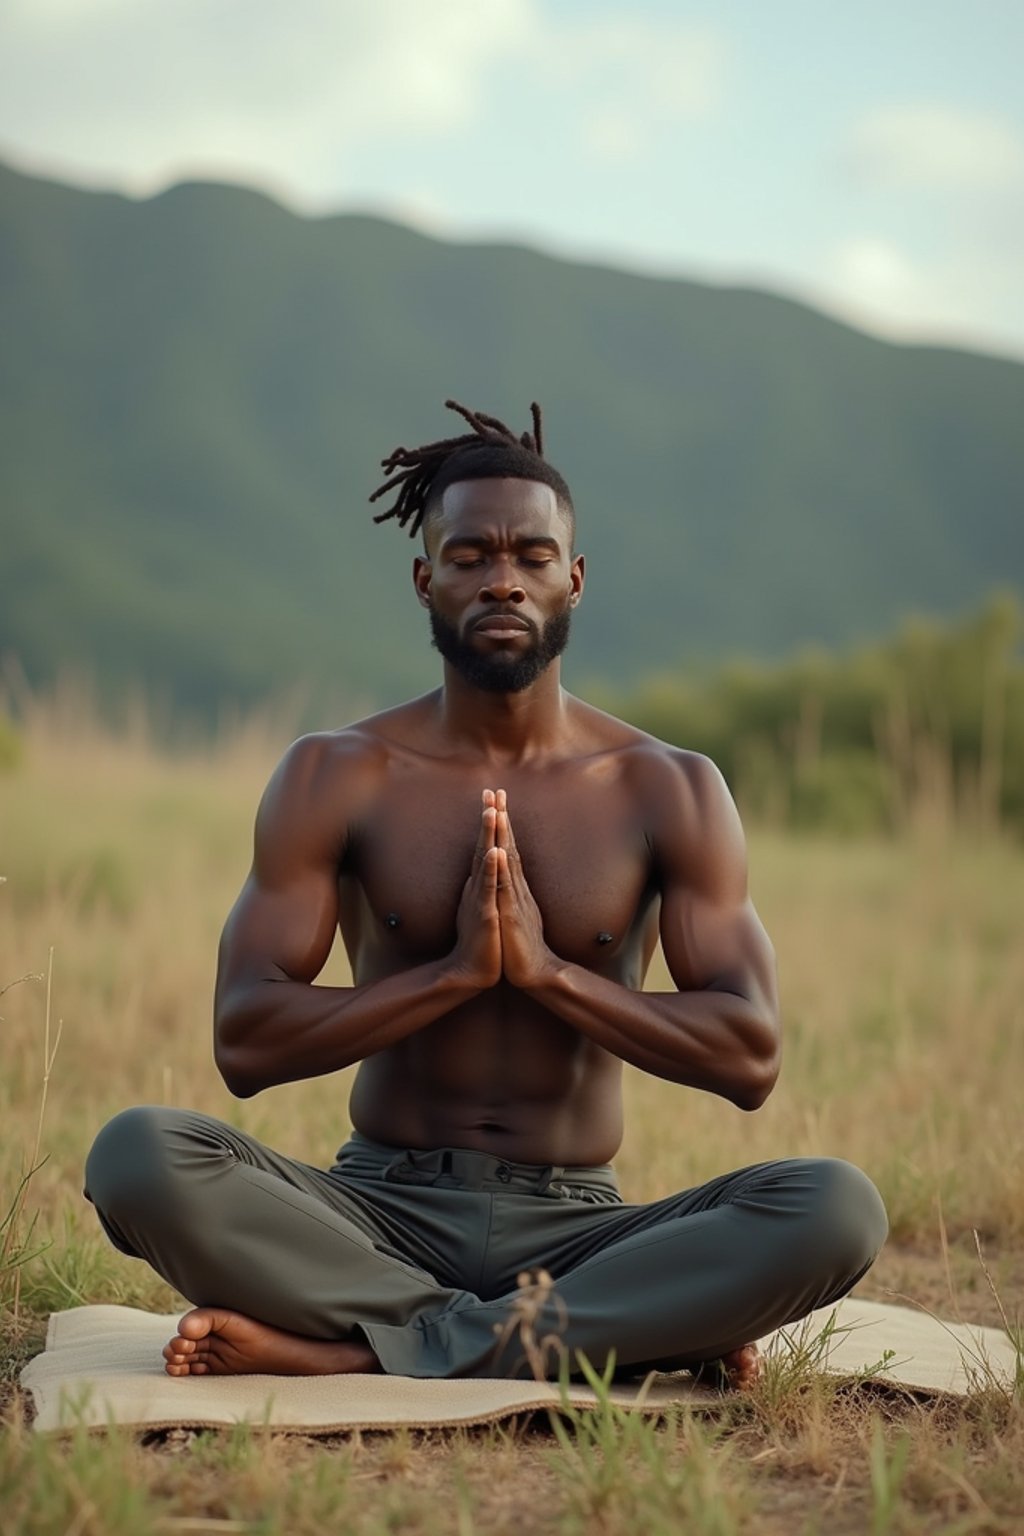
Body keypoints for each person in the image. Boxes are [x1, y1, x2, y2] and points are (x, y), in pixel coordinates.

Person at [84, 399, 887, 1386]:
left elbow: (749, 1056)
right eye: (469, 555)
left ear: (573, 579)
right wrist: (454, 975)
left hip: (583, 1229)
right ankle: (592, 1337)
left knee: (834, 1209)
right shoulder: (336, 774)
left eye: (531, 555)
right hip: (374, 1214)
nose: (501, 578)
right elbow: (245, 1041)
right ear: (425, 579)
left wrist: (550, 975)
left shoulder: (666, 786)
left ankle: (367, 1349)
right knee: (137, 1156)